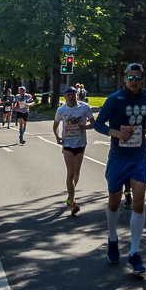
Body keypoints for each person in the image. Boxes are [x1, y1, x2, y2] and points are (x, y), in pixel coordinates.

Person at [93, 63, 146, 274]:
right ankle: (112, 237)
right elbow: (98, 124)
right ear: (125, 79)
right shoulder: (114, 99)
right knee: (114, 201)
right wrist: (117, 133)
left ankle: (134, 253)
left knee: (139, 202)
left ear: (143, 80)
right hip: (118, 157)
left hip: (140, 156)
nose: (134, 81)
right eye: (130, 77)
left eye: (137, 78)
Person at [53, 86, 94, 216]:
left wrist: (84, 127)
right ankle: (73, 203)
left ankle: (70, 195)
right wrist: (57, 136)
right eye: (68, 95)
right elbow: (55, 125)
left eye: (73, 94)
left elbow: (93, 123)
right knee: (70, 172)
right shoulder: (61, 110)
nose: (71, 96)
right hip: (68, 144)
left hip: (80, 143)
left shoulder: (84, 108)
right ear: (65, 97)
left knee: (76, 173)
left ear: (77, 95)